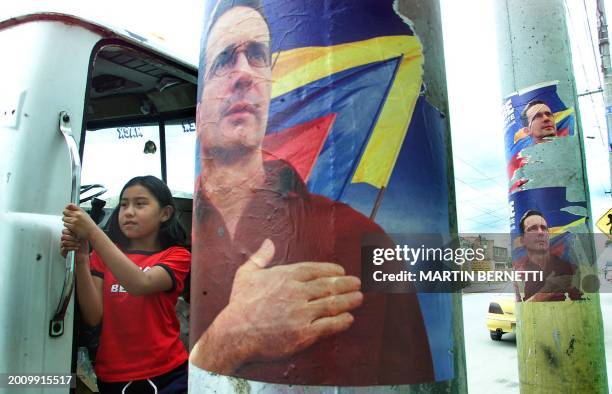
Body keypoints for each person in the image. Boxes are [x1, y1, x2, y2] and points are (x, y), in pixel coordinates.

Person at [189, 0, 434, 386]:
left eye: (257, 56)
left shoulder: (360, 238)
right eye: (223, 61)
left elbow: (416, 380)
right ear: (199, 111)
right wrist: (227, 339)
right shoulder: (183, 238)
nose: (244, 74)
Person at [61, 176, 190, 393]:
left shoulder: (177, 256)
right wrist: (82, 257)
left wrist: (93, 232)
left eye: (140, 204)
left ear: (165, 214)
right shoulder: (103, 256)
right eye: (123, 205)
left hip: (167, 374)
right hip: (112, 374)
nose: (129, 212)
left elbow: (140, 283)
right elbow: (93, 315)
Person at [518, 210, 583, 302]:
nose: (540, 232)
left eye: (544, 228)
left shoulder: (568, 268)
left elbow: (582, 301)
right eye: (532, 228)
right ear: (522, 240)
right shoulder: (520, 274)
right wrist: (545, 292)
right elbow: (520, 309)